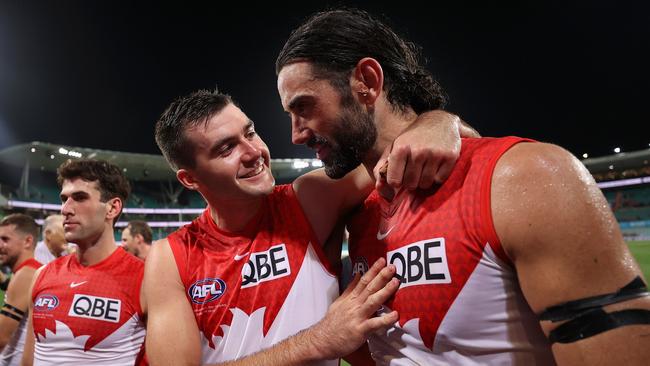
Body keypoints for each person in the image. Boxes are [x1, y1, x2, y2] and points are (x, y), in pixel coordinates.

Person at [275, 8, 650, 365]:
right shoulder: (357, 215)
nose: (295, 135)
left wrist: (442, 121)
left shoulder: (525, 176)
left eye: (304, 107)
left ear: (367, 82)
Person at [145, 88, 477, 365]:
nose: (254, 152)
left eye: (249, 133)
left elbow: (409, 148)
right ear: (190, 179)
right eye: (226, 148)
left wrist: (439, 120)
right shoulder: (170, 257)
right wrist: (318, 340)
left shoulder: (310, 200)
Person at [22, 159, 146, 366]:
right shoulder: (42, 275)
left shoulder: (145, 279)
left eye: (79, 198)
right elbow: (28, 360)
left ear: (112, 208)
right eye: (64, 199)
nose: (65, 209)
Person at [0, 214, 42, 366]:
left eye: (5, 239)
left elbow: (1, 337)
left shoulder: (25, 274)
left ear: (27, 241)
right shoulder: (30, 270)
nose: (0, 245)